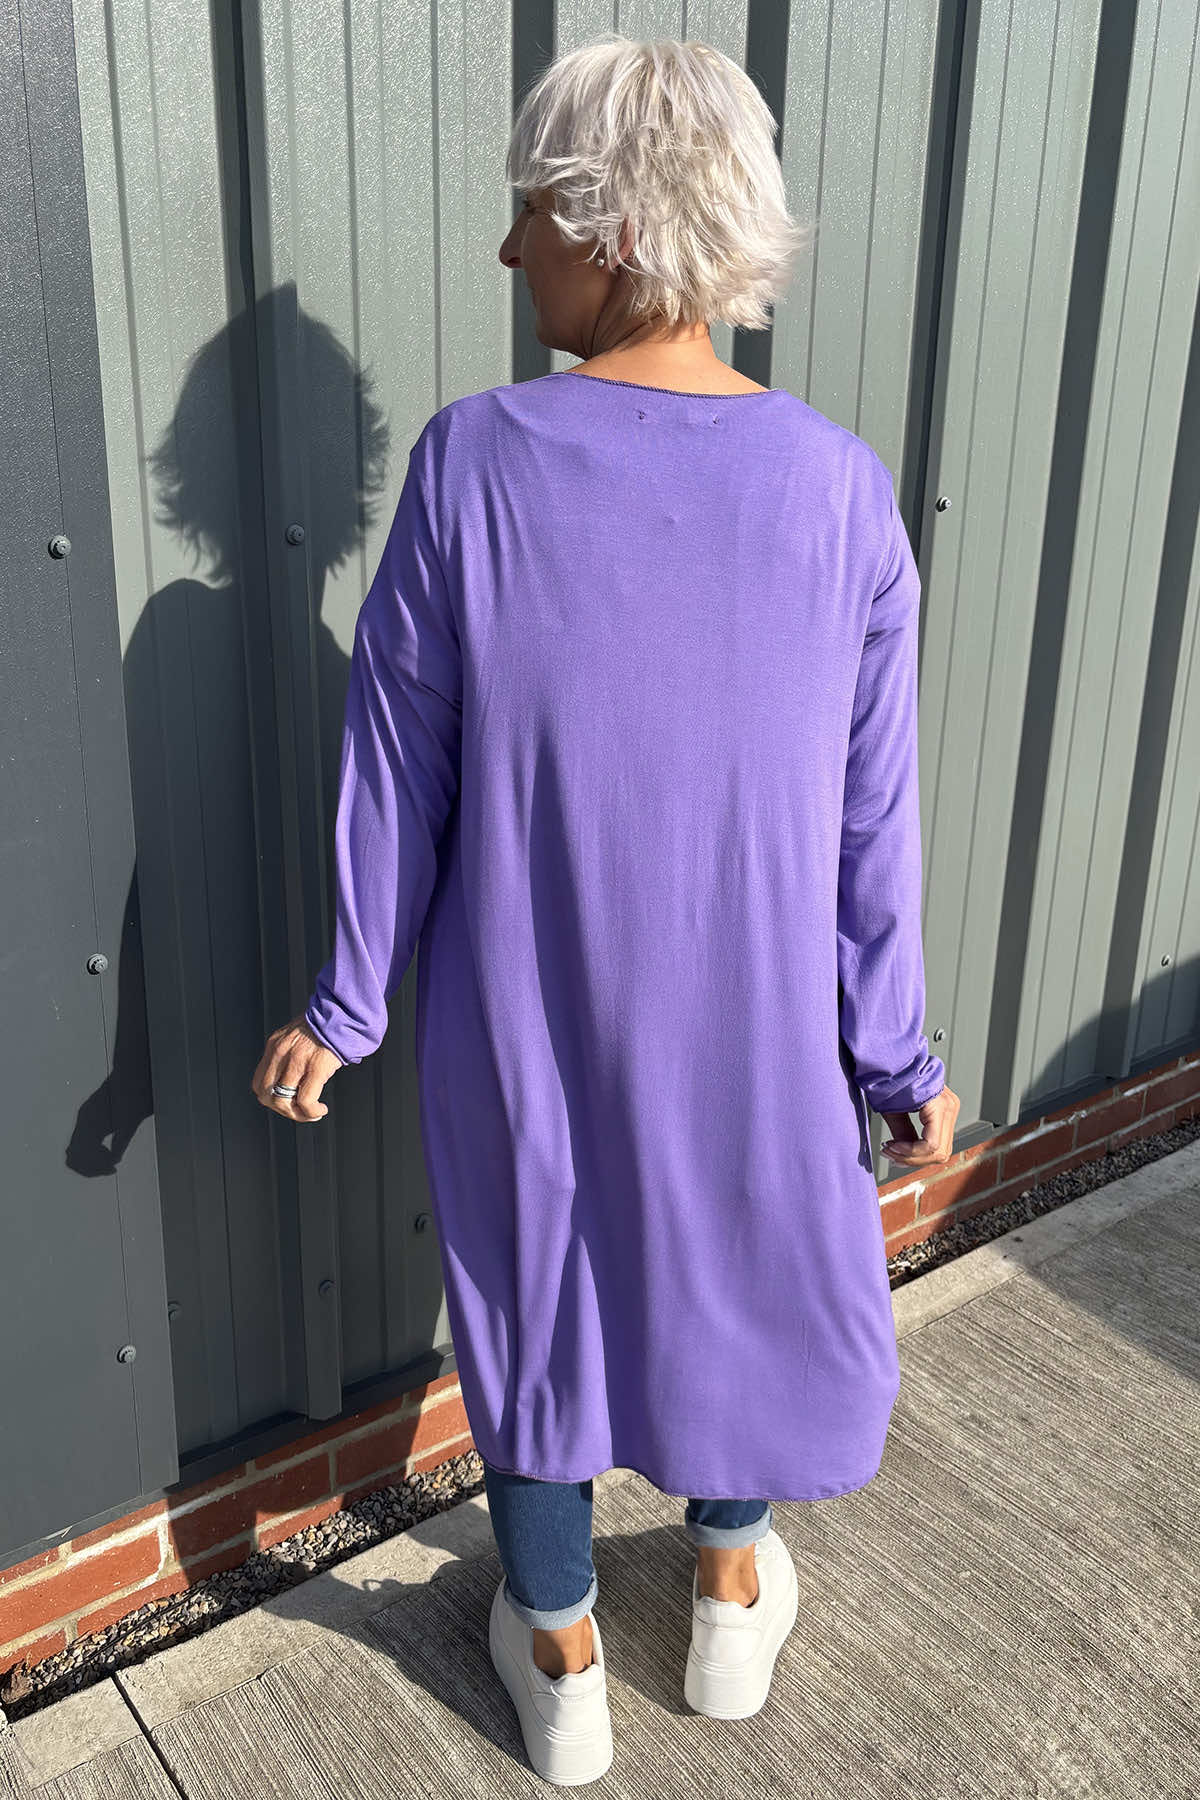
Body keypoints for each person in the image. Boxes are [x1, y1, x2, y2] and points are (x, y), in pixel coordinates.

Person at [252, 31, 959, 1785]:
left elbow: (395, 763)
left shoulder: (473, 467)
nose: (511, 251)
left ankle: (560, 1653)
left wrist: (351, 999)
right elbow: (873, 823)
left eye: (532, 216)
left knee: (533, 1289)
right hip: (763, 1027)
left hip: (527, 1016)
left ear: (613, 227)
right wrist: (896, 1057)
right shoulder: (841, 490)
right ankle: (726, 1597)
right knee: (743, 1262)